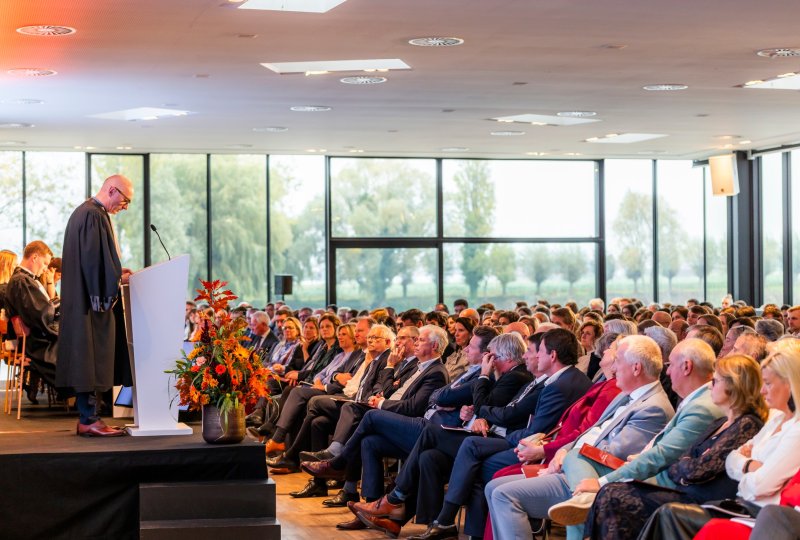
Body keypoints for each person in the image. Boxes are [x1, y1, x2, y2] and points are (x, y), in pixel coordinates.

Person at [583, 354, 768, 540]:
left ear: (733, 386)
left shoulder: (748, 424)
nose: (710, 386)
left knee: (613, 495)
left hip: (706, 502)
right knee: (610, 492)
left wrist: (687, 465)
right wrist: (687, 465)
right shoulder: (720, 422)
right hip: (686, 492)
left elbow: (700, 469)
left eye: (715, 381)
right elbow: (684, 461)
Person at [637, 338, 800, 540]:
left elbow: (760, 486)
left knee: (663, 511)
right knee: (633, 500)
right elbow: (731, 460)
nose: (763, 390)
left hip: (756, 513)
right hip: (740, 503)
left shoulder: (790, 430)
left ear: (790, 384)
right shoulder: (775, 420)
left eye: (768, 383)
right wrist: (751, 466)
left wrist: (744, 464)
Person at [56, 174, 134, 437]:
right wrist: (115, 278)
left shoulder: (85, 212)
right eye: (125, 200)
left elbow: (94, 261)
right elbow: (93, 264)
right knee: (87, 359)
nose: (125, 207)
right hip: (89, 305)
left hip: (82, 299)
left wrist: (116, 272)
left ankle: (90, 418)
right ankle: (89, 419)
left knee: (87, 359)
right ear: (111, 190)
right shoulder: (93, 215)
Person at [5, 241, 59, 400]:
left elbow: (41, 310)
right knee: (79, 342)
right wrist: (57, 306)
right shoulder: (22, 281)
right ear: (34, 257)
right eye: (45, 263)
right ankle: (88, 394)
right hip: (37, 342)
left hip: (35, 336)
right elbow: (40, 314)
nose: (45, 268)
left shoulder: (24, 279)